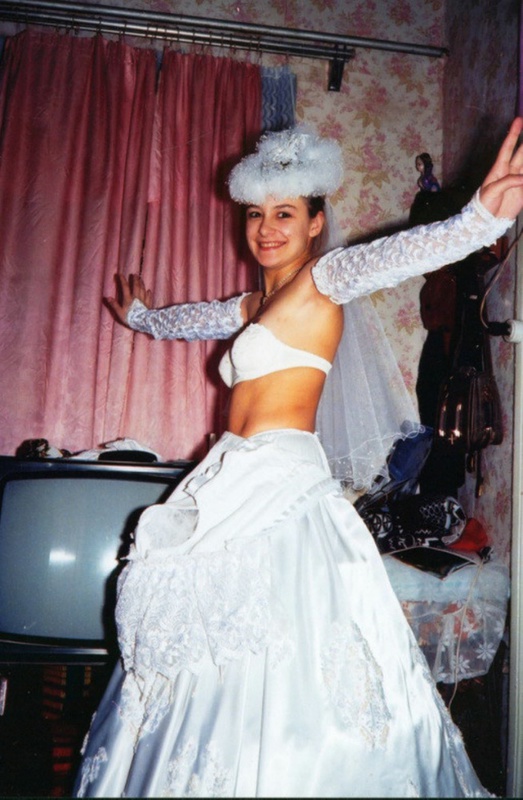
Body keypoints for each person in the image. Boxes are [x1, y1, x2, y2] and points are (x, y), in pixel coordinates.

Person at [74, 118, 523, 798]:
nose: (265, 228)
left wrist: (477, 221)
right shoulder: (256, 302)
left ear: (315, 223)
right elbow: (191, 319)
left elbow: (398, 254)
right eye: (255, 214)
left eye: (284, 213)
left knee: (283, 655)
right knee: (209, 649)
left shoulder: (323, 279)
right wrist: (142, 319)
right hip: (228, 474)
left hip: (281, 483)